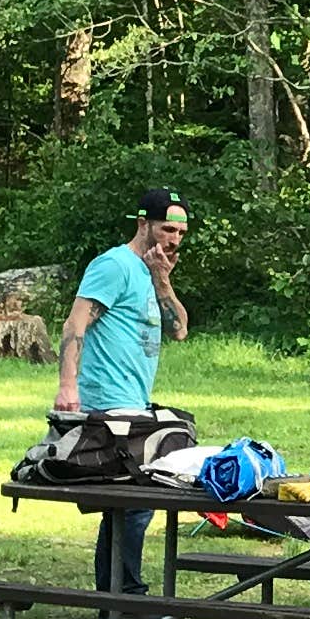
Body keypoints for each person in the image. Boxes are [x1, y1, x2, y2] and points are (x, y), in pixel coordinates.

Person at [54, 190, 192, 597]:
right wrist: (67, 386)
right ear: (143, 224)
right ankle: (124, 596)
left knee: (130, 504)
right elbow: (74, 324)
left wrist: (162, 281)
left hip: (135, 402)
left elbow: (180, 330)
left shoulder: (154, 271)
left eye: (182, 233)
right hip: (106, 402)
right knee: (134, 502)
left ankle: (116, 595)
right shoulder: (114, 265)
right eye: (167, 229)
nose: (174, 240)